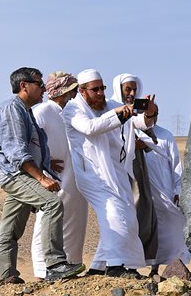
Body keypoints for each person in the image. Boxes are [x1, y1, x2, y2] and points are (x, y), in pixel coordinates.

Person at [0, 67, 85, 285]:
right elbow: (16, 152)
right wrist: (41, 178)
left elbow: (33, 147)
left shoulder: (26, 111)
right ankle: (54, 264)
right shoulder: (11, 109)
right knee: (52, 204)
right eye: (39, 85)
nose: (43, 89)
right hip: (15, 174)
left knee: (11, 226)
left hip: (20, 174)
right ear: (24, 86)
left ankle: (7, 275)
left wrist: (44, 164)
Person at [62, 69, 158, 278]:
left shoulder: (110, 106)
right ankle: (116, 266)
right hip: (92, 174)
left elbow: (140, 123)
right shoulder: (73, 109)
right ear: (82, 91)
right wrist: (120, 114)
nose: (99, 93)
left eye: (102, 88)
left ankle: (98, 266)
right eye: (94, 89)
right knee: (113, 214)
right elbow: (90, 128)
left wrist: (150, 112)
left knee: (129, 217)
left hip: (116, 171)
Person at [29, 71, 88, 280]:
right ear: (59, 92)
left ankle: (70, 264)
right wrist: (44, 162)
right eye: (70, 91)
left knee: (75, 219)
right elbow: (30, 139)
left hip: (74, 177)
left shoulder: (70, 113)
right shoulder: (43, 110)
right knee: (47, 220)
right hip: (51, 176)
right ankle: (41, 270)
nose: (73, 96)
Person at [110, 73, 158, 264]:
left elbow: (146, 127)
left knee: (141, 210)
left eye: (134, 89)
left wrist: (150, 113)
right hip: (114, 167)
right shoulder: (109, 107)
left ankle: (135, 260)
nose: (131, 93)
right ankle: (119, 261)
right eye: (127, 89)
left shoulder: (137, 108)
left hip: (136, 165)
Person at [138, 119, 191, 275]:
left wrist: (178, 189)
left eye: (152, 113)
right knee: (148, 229)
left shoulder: (165, 135)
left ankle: (177, 266)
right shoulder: (132, 133)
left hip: (165, 191)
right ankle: (150, 268)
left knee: (173, 227)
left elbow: (176, 165)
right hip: (143, 192)